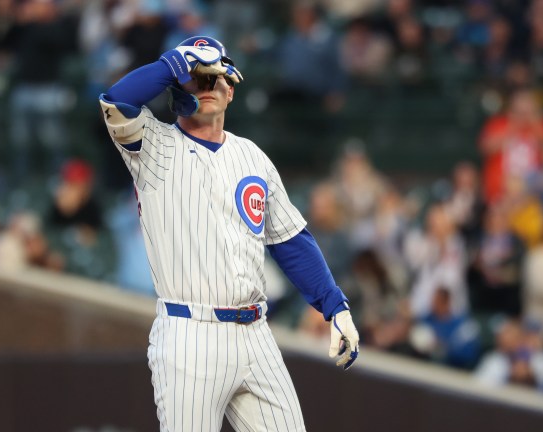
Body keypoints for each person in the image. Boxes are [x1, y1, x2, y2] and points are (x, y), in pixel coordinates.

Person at [99, 35, 359, 431]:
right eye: (196, 79)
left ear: (232, 88)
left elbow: (290, 240)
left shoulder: (252, 156)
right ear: (175, 87)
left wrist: (334, 306)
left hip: (256, 333)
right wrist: (176, 64)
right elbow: (116, 101)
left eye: (215, 77)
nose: (207, 86)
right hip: (191, 334)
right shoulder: (155, 146)